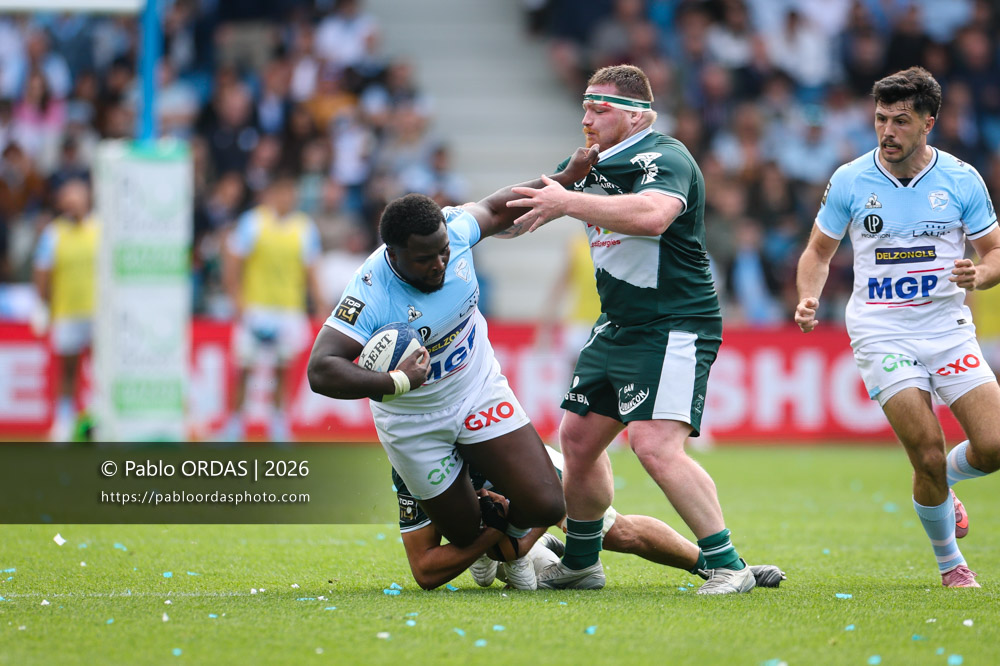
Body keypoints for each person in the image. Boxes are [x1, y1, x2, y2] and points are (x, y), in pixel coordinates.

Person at [503, 64, 756, 594]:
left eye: (601, 109)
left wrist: (568, 198)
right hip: (618, 324)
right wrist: (457, 223)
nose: (587, 119)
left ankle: (728, 564)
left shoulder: (664, 155)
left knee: (654, 444)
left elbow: (655, 216)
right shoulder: (589, 165)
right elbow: (517, 213)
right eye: (585, 109)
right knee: (576, 440)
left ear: (639, 115)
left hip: (674, 321)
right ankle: (580, 562)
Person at [307, 150, 600, 590]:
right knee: (465, 531)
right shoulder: (370, 293)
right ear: (394, 254)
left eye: (443, 252)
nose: (439, 263)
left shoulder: (456, 230)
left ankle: (504, 549)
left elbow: (499, 207)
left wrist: (566, 178)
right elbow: (321, 369)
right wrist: (397, 381)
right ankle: (501, 547)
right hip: (412, 419)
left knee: (543, 503)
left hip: (475, 387)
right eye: (425, 259)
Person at [794, 66, 1000, 588]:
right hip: (881, 330)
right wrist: (808, 295)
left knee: (995, 446)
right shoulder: (850, 179)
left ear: (929, 122)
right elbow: (818, 252)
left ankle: (945, 483)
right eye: (881, 119)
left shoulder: (961, 179)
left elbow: (994, 252)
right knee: (925, 450)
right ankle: (952, 564)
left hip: (948, 326)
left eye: (901, 121)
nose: (887, 131)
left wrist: (980, 275)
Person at [394, 444, 786, 592]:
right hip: (496, 523)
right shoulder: (409, 470)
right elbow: (425, 572)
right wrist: (491, 532)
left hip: (536, 492)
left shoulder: (502, 455)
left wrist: (507, 534)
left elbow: (533, 523)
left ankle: (724, 566)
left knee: (622, 534)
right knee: (487, 566)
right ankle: (536, 550)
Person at [223, 173, 327, 442]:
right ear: (271, 194)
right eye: (282, 192)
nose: (286, 198)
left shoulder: (304, 227)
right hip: (256, 307)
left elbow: (312, 270)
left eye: (290, 193)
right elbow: (233, 262)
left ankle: (278, 426)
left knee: (283, 368)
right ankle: (234, 425)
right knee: (245, 367)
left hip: (288, 310)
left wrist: (321, 305)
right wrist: (237, 300)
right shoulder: (253, 222)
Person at [32, 179, 98, 442]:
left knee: (99, 370)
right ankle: (63, 420)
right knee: (68, 370)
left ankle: (95, 418)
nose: (73, 203)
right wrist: (43, 305)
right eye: (68, 198)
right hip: (67, 311)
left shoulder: (101, 228)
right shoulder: (53, 234)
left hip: (97, 314)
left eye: (78, 197)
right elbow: (42, 273)